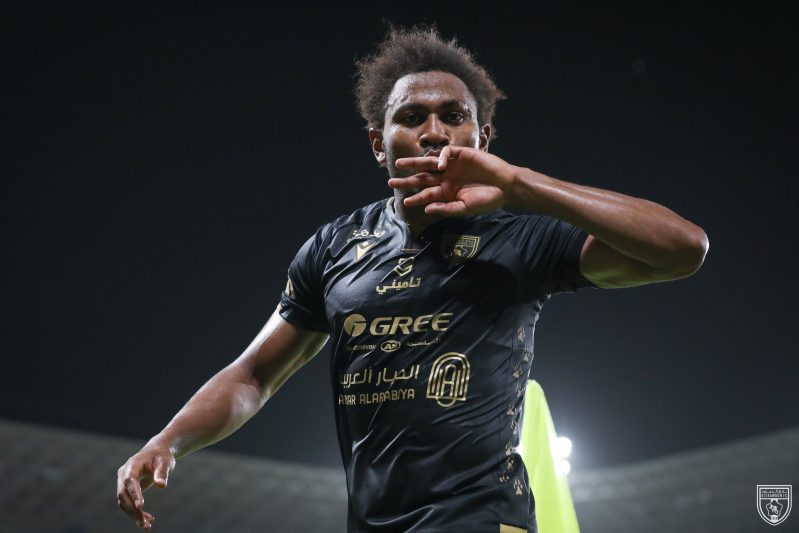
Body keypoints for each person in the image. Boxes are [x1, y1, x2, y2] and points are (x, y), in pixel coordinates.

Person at [116, 26, 708, 532]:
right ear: (379, 144)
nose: (434, 132)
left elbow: (682, 248)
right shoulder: (333, 247)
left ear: (482, 139)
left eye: (454, 117)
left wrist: (519, 184)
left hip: (481, 520)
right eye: (411, 117)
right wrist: (168, 440)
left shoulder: (519, 239)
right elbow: (253, 374)